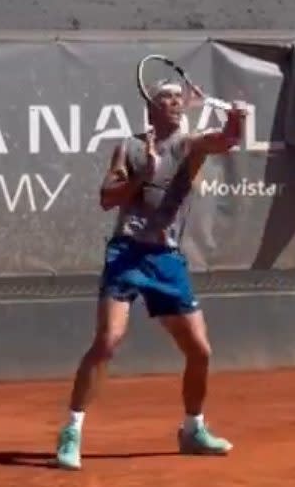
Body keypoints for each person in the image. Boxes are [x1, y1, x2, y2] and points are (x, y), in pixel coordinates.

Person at [54, 80, 247, 471]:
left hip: (167, 259)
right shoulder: (129, 146)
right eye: (166, 98)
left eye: (179, 98)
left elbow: (226, 139)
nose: (175, 102)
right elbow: (107, 198)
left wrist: (237, 118)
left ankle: (193, 429)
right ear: (151, 108)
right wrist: (144, 176)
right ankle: (72, 429)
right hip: (126, 252)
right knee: (108, 341)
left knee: (200, 351)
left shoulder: (191, 145)